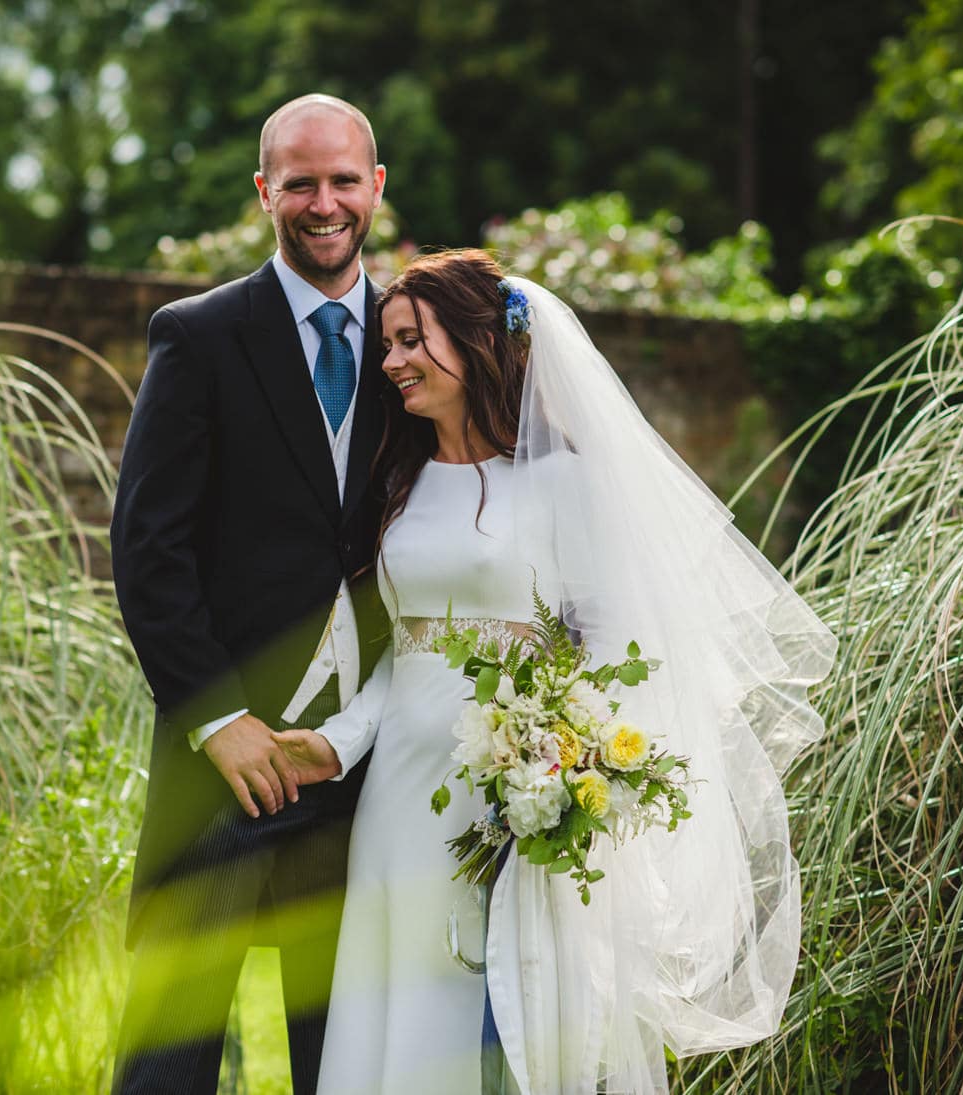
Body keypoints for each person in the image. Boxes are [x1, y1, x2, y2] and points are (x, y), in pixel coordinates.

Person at [277, 249, 837, 1094]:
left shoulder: (563, 484)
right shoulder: (401, 482)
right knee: (401, 1005)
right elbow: (409, 648)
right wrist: (337, 741)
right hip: (399, 795)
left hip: (516, 797)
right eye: (387, 343)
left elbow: (617, 646)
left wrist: (558, 760)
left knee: (511, 1014)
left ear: (472, 343)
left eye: (409, 341)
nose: (388, 363)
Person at [107, 93, 391, 1095]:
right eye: (300, 182)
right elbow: (148, 550)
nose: (323, 203)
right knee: (170, 1058)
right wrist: (217, 716)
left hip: (364, 775)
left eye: (342, 180)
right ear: (264, 191)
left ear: (376, 189)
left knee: (345, 1056)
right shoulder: (199, 336)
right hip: (218, 771)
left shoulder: (417, 342)